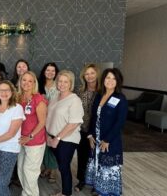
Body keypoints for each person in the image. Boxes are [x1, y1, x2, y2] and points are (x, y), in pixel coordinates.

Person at [85, 68, 128, 196]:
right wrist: (90, 134)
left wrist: (107, 140)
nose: (110, 81)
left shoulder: (121, 98)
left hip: (109, 140)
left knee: (108, 167)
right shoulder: (99, 95)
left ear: (118, 81)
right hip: (96, 138)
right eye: (108, 78)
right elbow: (94, 117)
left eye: (113, 78)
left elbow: (119, 122)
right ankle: (99, 189)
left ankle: (108, 192)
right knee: (98, 164)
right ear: (103, 80)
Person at [46, 70, 84, 196]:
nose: (62, 84)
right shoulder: (55, 97)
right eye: (60, 81)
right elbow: (49, 117)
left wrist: (57, 138)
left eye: (65, 82)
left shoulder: (74, 100)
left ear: (70, 84)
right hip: (52, 137)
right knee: (61, 166)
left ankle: (66, 193)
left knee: (64, 166)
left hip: (66, 139)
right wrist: (48, 136)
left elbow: (74, 123)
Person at [17, 71, 48, 196]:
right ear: (20, 82)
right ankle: (27, 193)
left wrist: (29, 137)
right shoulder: (18, 98)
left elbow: (42, 122)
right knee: (21, 169)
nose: (26, 83)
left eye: (30, 81)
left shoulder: (38, 99)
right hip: (20, 140)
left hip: (34, 141)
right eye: (24, 80)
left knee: (30, 172)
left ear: (34, 83)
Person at [74, 64, 100, 192]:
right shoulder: (79, 91)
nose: (89, 76)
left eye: (92, 73)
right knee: (82, 156)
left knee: (96, 157)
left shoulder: (102, 92)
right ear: (83, 76)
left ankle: (96, 183)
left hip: (97, 131)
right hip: (82, 130)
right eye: (87, 73)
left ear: (97, 74)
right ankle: (82, 180)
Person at [38, 62, 60, 182]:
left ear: (56, 73)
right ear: (44, 72)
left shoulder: (59, 85)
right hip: (41, 119)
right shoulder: (39, 84)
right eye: (48, 70)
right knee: (44, 145)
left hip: (54, 119)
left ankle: (53, 171)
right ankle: (47, 167)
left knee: (52, 145)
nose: (50, 73)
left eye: (53, 70)